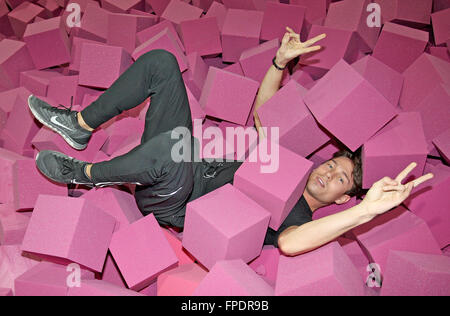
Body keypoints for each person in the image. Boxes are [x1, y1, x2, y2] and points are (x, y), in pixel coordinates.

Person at [28, 27, 433, 257]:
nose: (329, 171)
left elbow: (291, 246)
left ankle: (84, 174)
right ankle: (81, 125)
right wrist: (279, 62)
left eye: (342, 178)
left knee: (173, 152)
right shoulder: (287, 165)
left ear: (345, 198)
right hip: (175, 164)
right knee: (162, 64)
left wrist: (368, 213)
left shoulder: (301, 221)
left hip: (175, 201)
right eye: (333, 164)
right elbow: (264, 115)